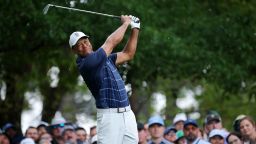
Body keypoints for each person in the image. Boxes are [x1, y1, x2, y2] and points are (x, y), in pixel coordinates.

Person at [68, 15, 140, 144]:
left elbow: (128, 54)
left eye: (85, 41)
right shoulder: (86, 64)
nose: (84, 46)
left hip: (128, 113)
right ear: (74, 51)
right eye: (78, 45)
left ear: (89, 41)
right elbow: (111, 42)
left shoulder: (105, 58)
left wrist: (135, 28)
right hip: (109, 116)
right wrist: (125, 24)